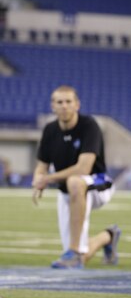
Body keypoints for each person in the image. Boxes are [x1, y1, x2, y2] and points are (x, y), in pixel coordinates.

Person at [32, 85, 121, 269]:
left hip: (99, 183)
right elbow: (41, 165)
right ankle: (108, 237)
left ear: (77, 105)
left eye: (68, 102)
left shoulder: (89, 126)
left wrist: (47, 178)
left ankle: (73, 251)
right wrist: (37, 180)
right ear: (52, 106)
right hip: (68, 191)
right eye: (59, 102)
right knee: (81, 256)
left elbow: (83, 168)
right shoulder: (50, 130)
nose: (64, 106)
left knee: (75, 181)